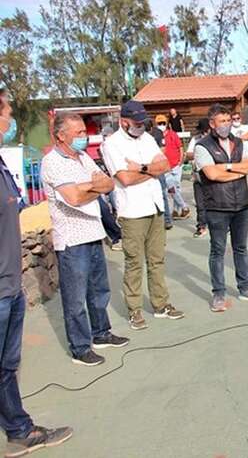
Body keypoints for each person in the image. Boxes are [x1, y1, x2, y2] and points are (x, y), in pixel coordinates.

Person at [0, 99, 73, 457]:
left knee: (6, 366)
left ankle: (19, 430)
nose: (11, 120)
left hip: (10, 284)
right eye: (6, 114)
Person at [41, 113, 130, 366]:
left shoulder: (83, 157)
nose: (84, 136)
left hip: (94, 232)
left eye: (84, 131)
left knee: (99, 290)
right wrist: (91, 187)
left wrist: (86, 186)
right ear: (61, 136)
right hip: (72, 239)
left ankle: (101, 333)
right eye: (78, 132)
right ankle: (80, 348)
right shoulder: (52, 162)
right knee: (76, 298)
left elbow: (108, 184)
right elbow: (73, 198)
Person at [102, 101, 185, 329]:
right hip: (132, 211)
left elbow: (165, 165)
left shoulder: (147, 138)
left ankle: (161, 304)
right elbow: (125, 179)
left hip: (155, 206)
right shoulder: (112, 144)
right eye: (136, 122)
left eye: (142, 122)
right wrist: (151, 170)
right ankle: (135, 310)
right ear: (124, 121)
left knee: (157, 260)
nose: (140, 126)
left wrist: (140, 167)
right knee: (134, 262)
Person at [195, 105, 248, 312]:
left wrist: (226, 167)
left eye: (228, 120)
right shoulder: (202, 146)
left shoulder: (239, 143)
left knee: (240, 248)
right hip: (217, 206)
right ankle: (218, 293)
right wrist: (237, 171)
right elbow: (212, 175)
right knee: (217, 250)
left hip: (241, 204)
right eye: (222, 121)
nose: (226, 125)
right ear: (212, 123)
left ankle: (245, 287)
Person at [155, 115, 190, 220]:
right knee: (172, 189)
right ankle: (184, 207)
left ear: (166, 124)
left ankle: (176, 210)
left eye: (163, 123)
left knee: (176, 188)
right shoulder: (156, 136)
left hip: (175, 165)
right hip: (165, 168)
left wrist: (180, 161)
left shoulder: (172, 134)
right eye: (159, 123)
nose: (161, 125)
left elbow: (180, 147)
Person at [147, 118, 173, 230]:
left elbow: (163, 149)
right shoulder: (141, 135)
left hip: (157, 166)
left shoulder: (157, 133)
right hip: (146, 168)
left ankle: (167, 220)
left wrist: (154, 159)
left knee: (162, 193)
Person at [187, 118, 210, 238]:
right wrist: (199, 152)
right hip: (198, 174)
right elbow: (188, 154)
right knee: (200, 203)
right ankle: (201, 226)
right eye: (203, 131)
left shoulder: (215, 139)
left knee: (215, 201)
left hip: (213, 174)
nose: (205, 133)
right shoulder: (196, 139)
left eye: (207, 130)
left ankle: (221, 224)